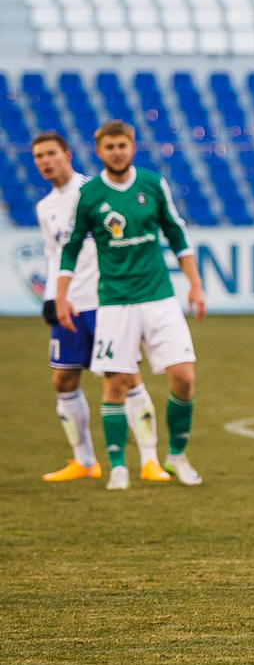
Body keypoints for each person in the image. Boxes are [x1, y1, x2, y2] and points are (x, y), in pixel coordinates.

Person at [57, 121, 205, 490]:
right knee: (117, 383)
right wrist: (61, 295)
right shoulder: (90, 194)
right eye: (110, 146)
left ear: (133, 147)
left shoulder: (153, 184)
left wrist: (196, 285)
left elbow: (177, 234)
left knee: (184, 377)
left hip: (159, 297)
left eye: (122, 145)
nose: (117, 151)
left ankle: (177, 455)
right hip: (115, 302)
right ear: (99, 151)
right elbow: (71, 247)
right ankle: (119, 465)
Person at [34, 132, 168, 483]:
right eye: (38, 156)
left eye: (51, 154)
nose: (45, 162)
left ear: (67, 154)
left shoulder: (94, 192)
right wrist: (53, 296)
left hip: (107, 301)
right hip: (70, 305)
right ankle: (84, 461)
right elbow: (54, 255)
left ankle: (150, 460)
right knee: (63, 379)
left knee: (125, 377)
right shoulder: (45, 208)